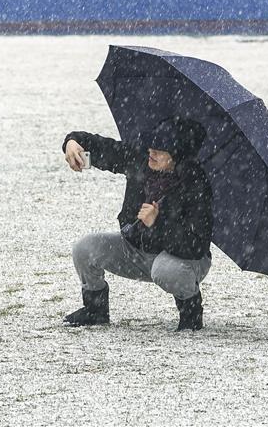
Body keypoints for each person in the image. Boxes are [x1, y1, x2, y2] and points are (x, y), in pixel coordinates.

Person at [61, 116, 212, 331]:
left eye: (159, 151)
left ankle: (191, 314)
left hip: (182, 261)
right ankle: (95, 310)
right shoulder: (140, 161)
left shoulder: (196, 184)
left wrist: (157, 223)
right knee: (85, 248)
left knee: (165, 270)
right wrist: (73, 143)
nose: (151, 153)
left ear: (176, 157)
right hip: (136, 250)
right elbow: (105, 150)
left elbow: (195, 245)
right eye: (152, 146)